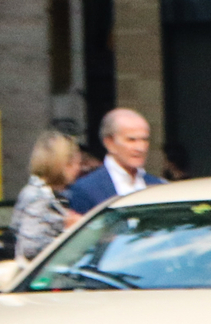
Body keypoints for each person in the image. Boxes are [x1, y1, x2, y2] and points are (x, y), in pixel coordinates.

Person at [66, 107, 162, 217]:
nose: (140, 148)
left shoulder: (158, 186)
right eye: (131, 140)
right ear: (109, 143)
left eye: (144, 140)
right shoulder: (86, 189)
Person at [11, 130, 82, 260]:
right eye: (76, 163)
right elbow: (30, 247)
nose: (79, 169)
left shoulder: (54, 195)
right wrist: (71, 231)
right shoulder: (38, 196)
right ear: (64, 164)